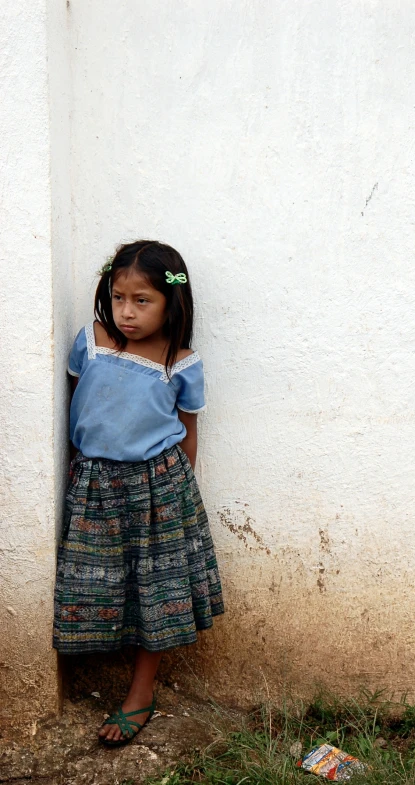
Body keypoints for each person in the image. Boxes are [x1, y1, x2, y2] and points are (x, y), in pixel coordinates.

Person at [53, 240, 224, 747]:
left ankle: (141, 692)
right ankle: (94, 671)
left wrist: (181, 497)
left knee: (158, 592)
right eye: (119, 297)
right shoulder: (92, 341)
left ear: (174, 301)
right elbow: (78, 408)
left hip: (161, 489)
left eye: (142, 300)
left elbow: (187, 431)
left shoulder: (182, 362)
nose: (127, 312)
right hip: (96, 487)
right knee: (99, 581)